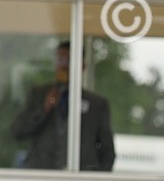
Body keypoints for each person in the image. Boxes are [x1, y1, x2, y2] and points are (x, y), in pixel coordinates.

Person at [11, 42, 115, 171]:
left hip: (80, 178)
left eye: (69, 61)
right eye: (60, 60)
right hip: (41, 175)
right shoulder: (38, 95)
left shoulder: (97, 104)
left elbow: (107, 151)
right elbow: (17, 131)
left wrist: (96, 180)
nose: (64, 66)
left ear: (82, 66)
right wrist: (43, 109)